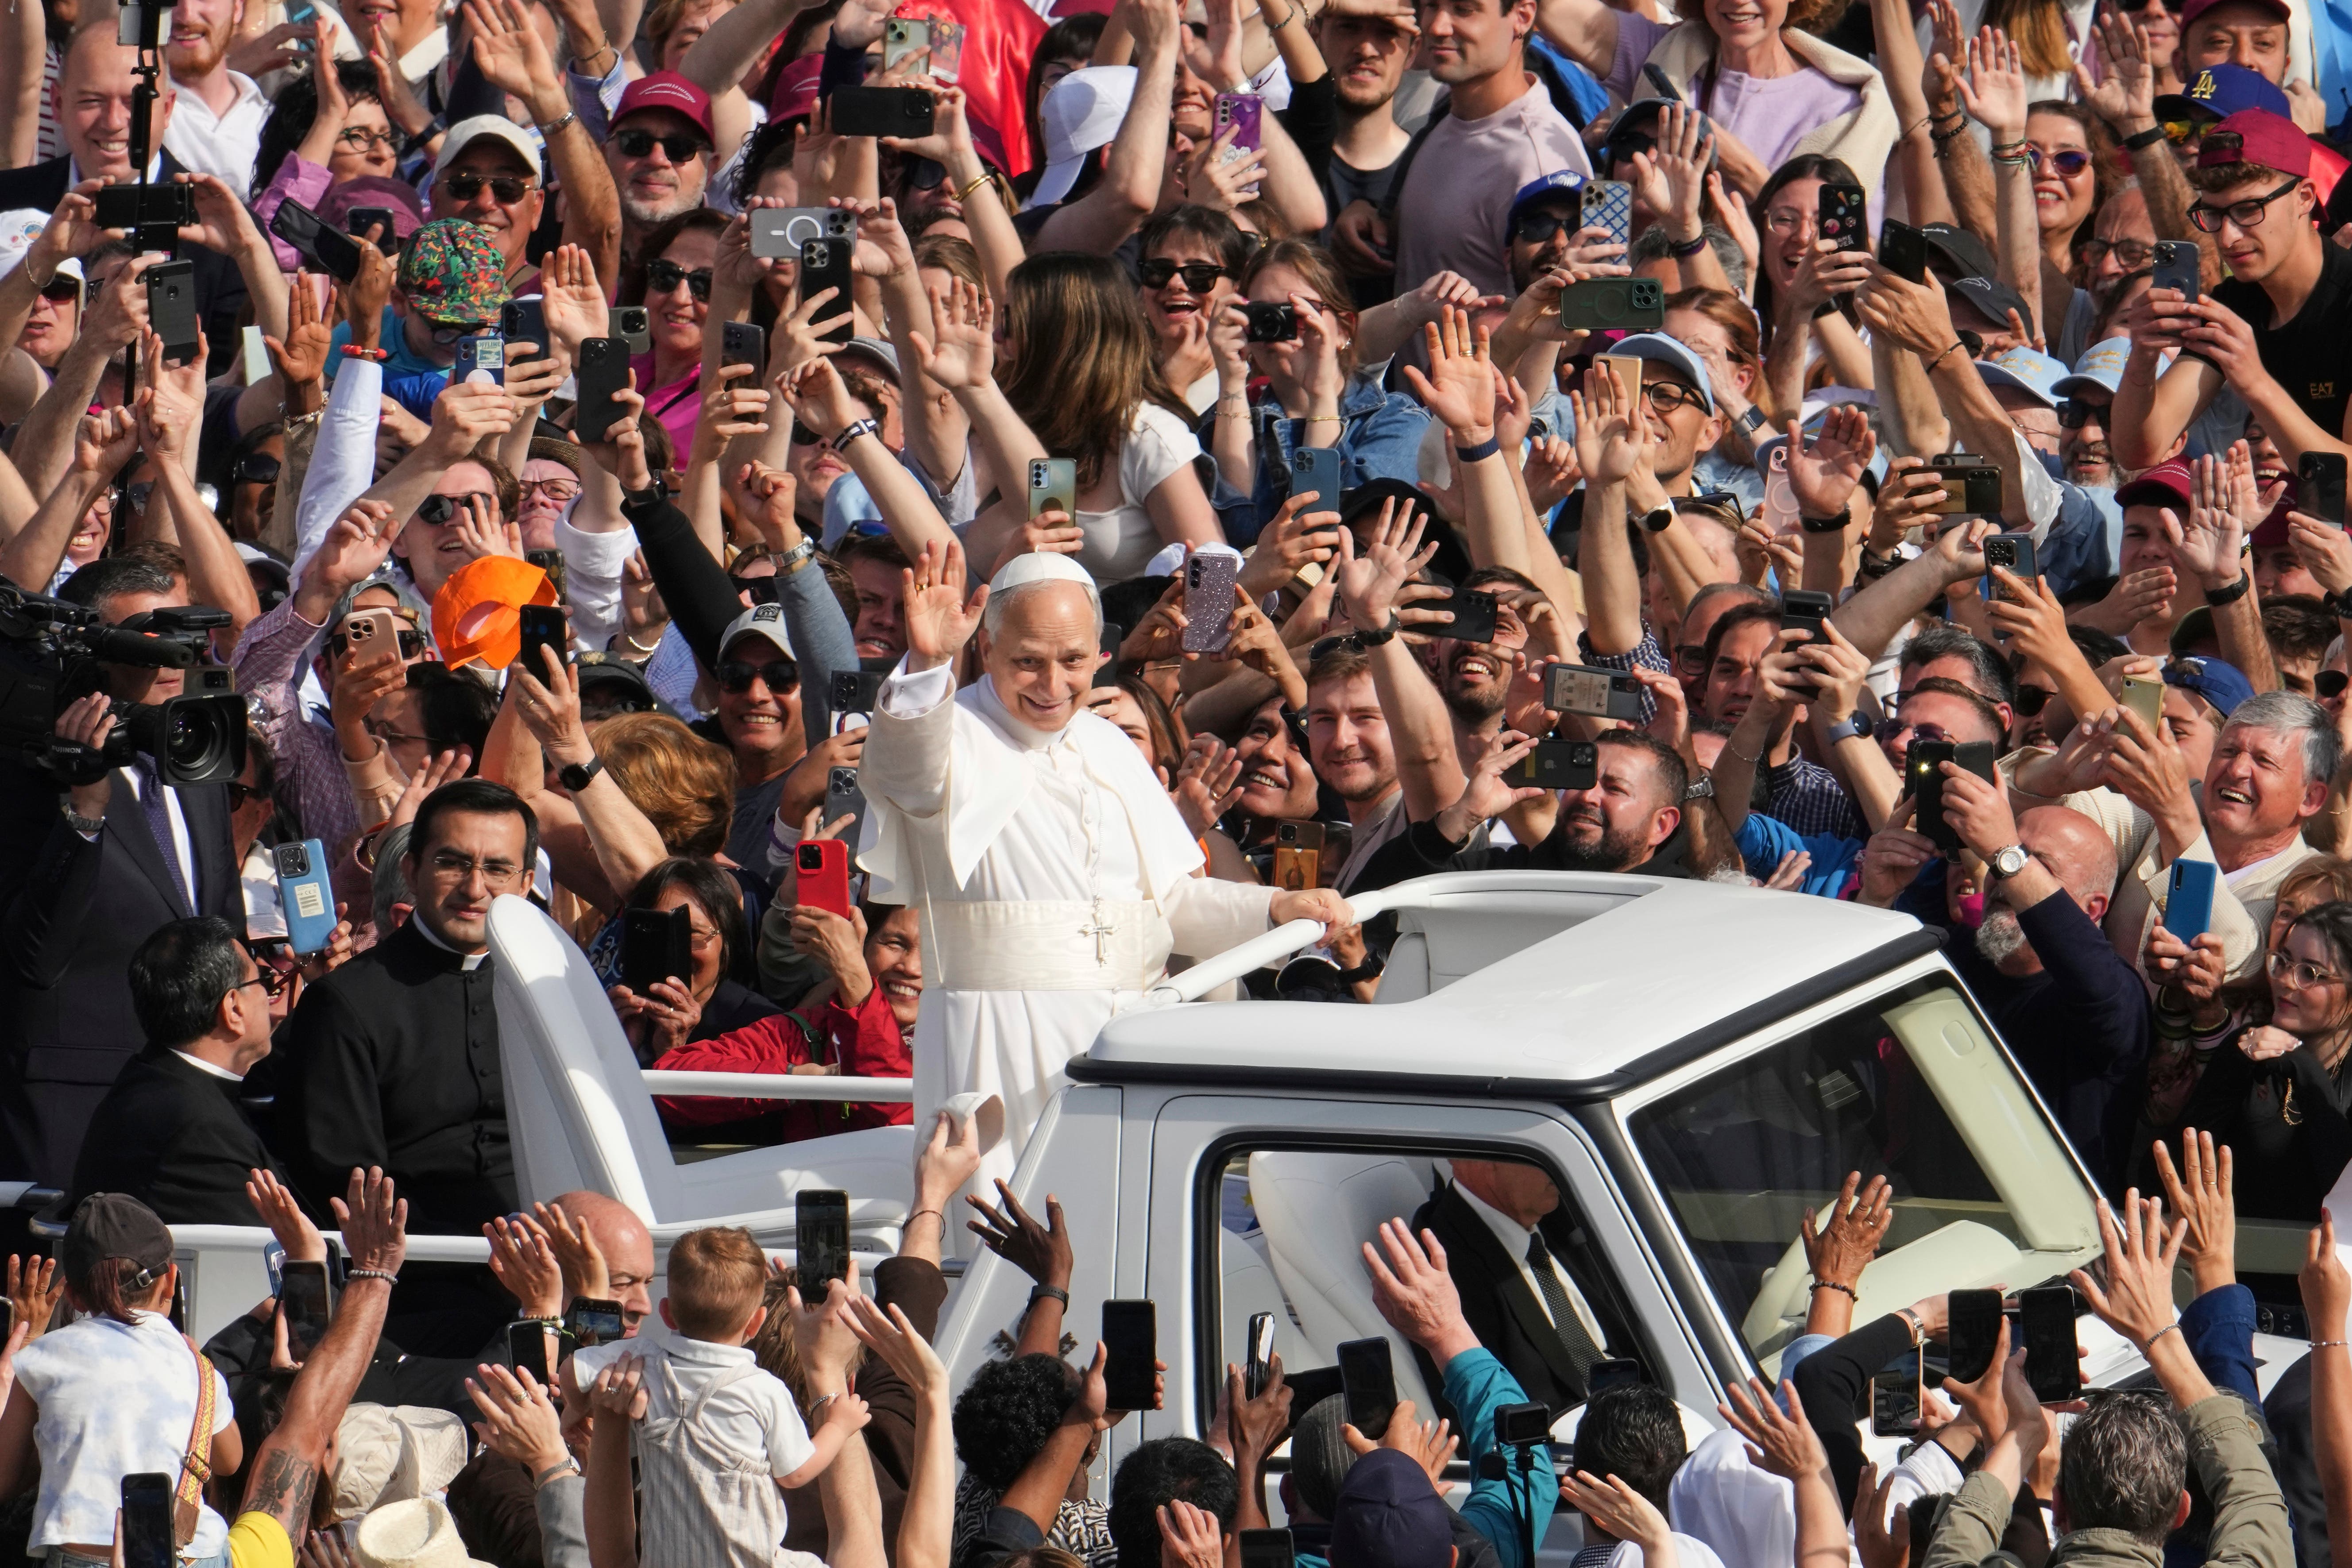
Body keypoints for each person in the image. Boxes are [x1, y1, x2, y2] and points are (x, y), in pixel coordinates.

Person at [859, 543, 1346, 1208]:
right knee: (1011, 1230)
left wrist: (1273, 908)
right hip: (999, 1038)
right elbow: (906, 775)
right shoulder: (954, 730)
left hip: (1121, 1036)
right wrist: (928, 666)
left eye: (1073, 661)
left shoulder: (1109, 745)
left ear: (1101, 652)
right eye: (1027, 661)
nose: (1052, 685)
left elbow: (1171, 900)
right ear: (990, 647)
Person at [0, 553, 246, 1188]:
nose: (174, 659)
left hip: (197, 1104)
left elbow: (217, 928)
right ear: (94, 651)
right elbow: (34, 956)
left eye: (186, 637)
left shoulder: (199, 756)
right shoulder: (28, 770)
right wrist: (83, 805)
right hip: (72, 1106)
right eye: (147, 640)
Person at [278, 781, 535, 1344]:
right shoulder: (347, 1001)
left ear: (528, 883)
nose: (474, 888)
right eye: (452, 862)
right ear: (413, 869)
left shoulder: (549, 993)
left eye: (497, 869)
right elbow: (348, 1183)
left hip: (545, 1270)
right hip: (416, 1293)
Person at [570, 1225, 872, 1568]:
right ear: (755, 1322)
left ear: (667, 1313)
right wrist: (838, 1425)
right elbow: (796, 1474)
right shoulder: (765, 1389)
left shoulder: (644, 1362)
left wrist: (578, 1412)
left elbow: (572, 1370)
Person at [0, 1193, 243, 1567]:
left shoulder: (39, 1359)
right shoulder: (196, 1364)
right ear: (170, 1282)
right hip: (197, 1554)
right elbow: (229, 1461)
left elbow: (6, 1480)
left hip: (84, 1556)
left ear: (76, 1296)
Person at [2116, 109, 2352, 471]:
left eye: (2248, 210)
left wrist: (2256, 384)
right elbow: (2138, 452)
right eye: (2212, 214)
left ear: (2304, 198)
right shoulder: (2236, 302)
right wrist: (2142, 359)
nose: (2227, 237)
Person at [65, 917, 288, 1224]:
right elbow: (261, 1256)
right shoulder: (200, 1133)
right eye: (262, 980)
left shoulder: (154, 1079)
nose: (270, 994)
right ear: (234, 1009)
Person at [1385, 0, 1590, 307]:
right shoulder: (1449, 106)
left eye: (1463, 9)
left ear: (1522, 17)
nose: (1436, 27)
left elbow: (1548, 334)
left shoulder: (1536, 163)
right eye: (1430, 5)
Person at [1405, 1159, 1632, 1416]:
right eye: (1537, 1151)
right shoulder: (1446, 1265)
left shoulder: (1568, 1210)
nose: (1552, 1159)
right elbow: (1497, 1419)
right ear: (1479, 1159)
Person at [2177, 899, 2352, 1219]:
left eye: (2309, 973)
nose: (2285, 980)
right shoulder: (2246, 1048)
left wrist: (2305, 1069)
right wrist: (2231, 1068)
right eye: (2283, 961)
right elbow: (2176, 1170)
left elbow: (2342, 1200)